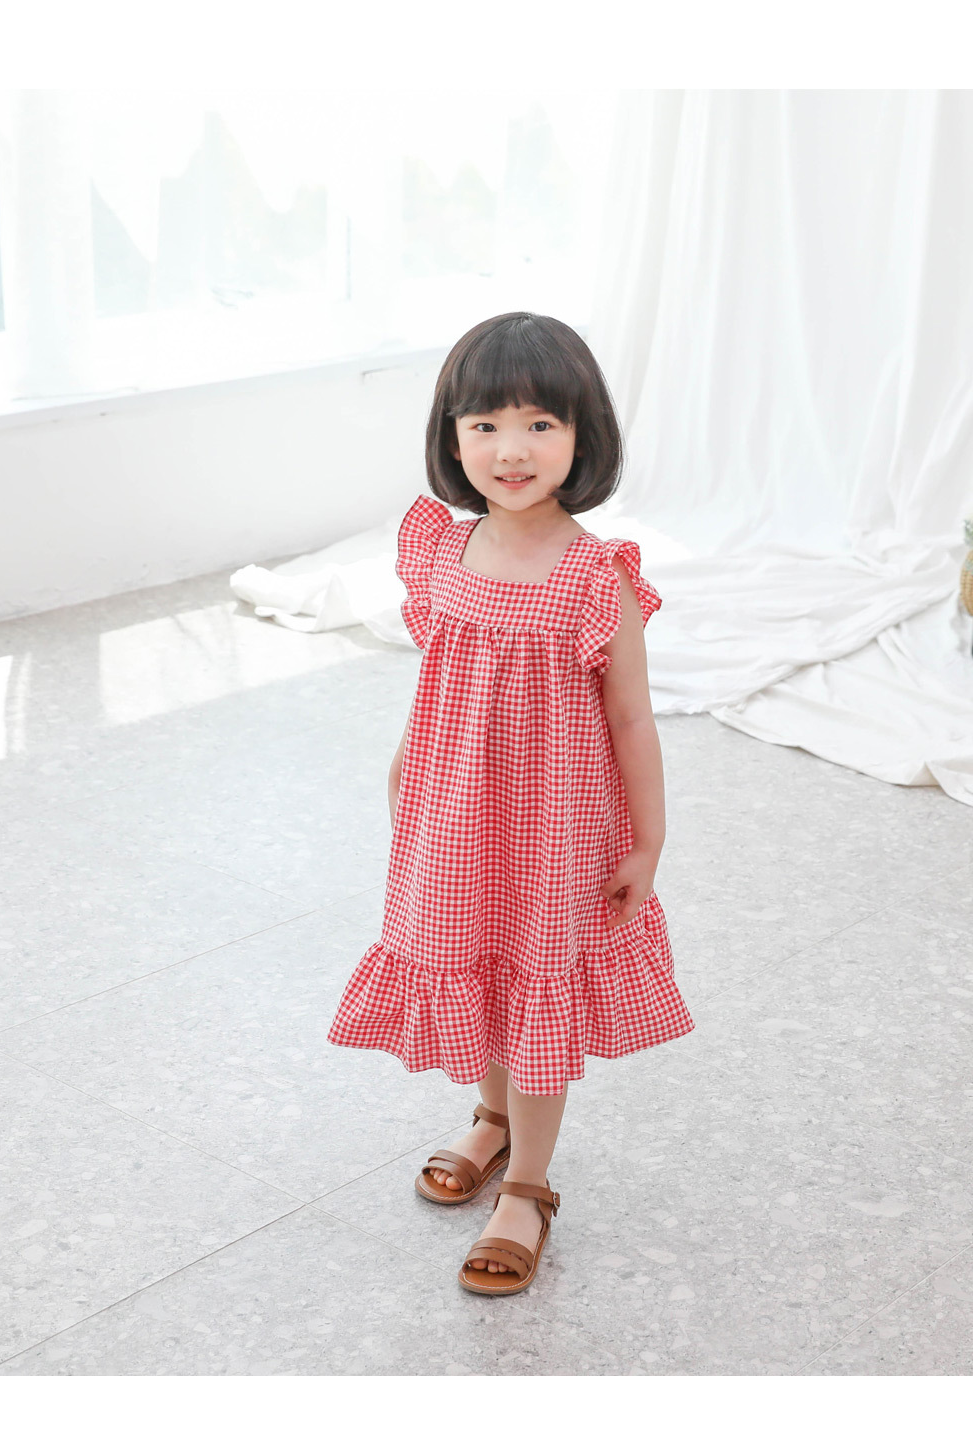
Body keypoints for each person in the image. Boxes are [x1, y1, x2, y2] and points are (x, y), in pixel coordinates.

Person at [327, 311, 695, 1296]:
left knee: (535, 984)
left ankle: (529, 1185)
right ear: (452, 438)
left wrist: (647, 841)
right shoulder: (443, 552)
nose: (511, 449)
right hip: (456, 819)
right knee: (479, 964)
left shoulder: (594, 577)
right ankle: (491, 1122)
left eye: (540, 424)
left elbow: (631, 721)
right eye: (484, 424)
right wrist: (406, 769)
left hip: (556, 832)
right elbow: (443, 681)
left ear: (582, 435)